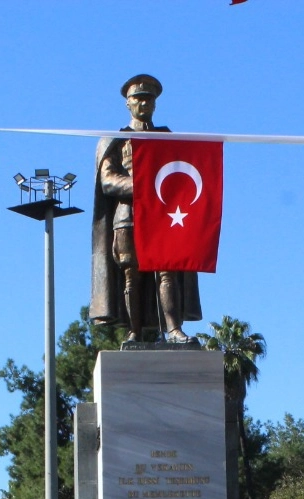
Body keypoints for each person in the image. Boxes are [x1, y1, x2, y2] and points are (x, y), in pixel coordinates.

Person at [90, 74, 203, 344]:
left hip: (163, 216)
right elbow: (108, 181)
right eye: (138, 98)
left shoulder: (169, 139)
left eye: (149, 99)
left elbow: (182, 173)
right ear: (127, 103)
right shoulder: (115, 140)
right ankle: (134, 331)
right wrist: (145, 186)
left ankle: (173, 329)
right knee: (132, 275)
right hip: (128, 215)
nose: (144, 103)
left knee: (167, 270)